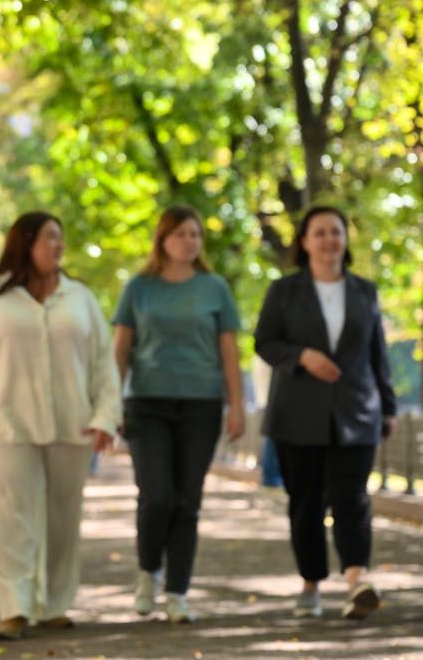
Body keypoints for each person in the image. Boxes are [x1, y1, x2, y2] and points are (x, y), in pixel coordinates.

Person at [0, 211, 120, 640]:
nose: (59, 245)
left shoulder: (80, 298)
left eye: (61, 238)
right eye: (50, 237)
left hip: (72, 423)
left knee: (63, 516)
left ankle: (54, 604)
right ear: (26, 242)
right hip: (3, 422)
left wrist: (106, 416)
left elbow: (103, 365)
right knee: (13, 514)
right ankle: (14, 606)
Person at [253, 205, 397, 620]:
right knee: (306, 502)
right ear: (304, 242)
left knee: (352, 497)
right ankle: (311, 583)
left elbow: (377, 353)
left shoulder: (364, 291)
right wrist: (302, 356)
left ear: (345, 240)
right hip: (297, 412)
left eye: (336, 231)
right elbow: (264, 342)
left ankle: (357, 581)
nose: (328, 240)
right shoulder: (284, 291)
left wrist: (387, 406)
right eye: (319, 232)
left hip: (356, 410)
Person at [111, 206, 246, 623]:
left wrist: (237, 405)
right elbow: (120, 349)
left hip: (200, 403)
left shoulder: (214, 288)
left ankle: (177, 591)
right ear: (163, 239)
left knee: (187, 500)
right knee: (157, 495)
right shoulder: (139, 288)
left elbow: (229, 352)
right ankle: (148, 571)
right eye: (181, 234)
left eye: (196, 234)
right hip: (146, 402)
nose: (190, 242)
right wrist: (110, 404)